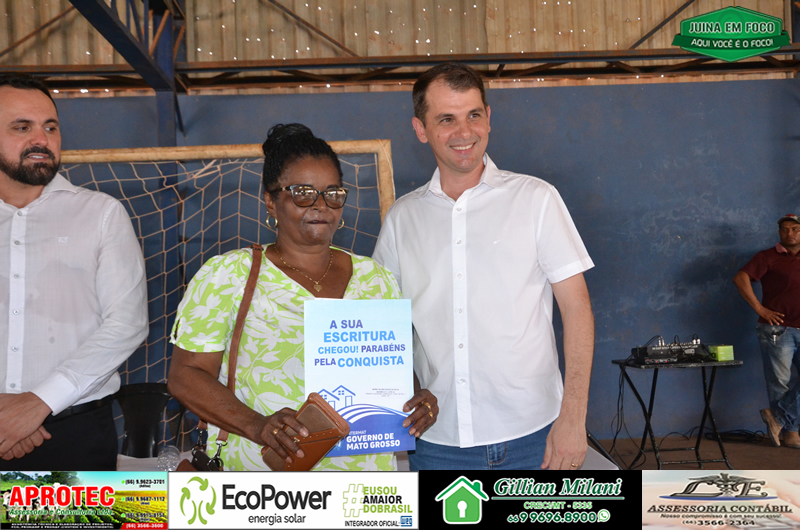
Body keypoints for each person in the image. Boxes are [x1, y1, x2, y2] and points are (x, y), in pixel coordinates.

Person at [168, 123, 438, 471]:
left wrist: (417, 400)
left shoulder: (375, 279)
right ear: (270, 201)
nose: (321, 205)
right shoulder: (229, 275)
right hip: (263, 485)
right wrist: (257, 425)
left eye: (332, 193)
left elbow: (389, 370)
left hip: (363, 484)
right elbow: (185, 375)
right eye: (303, 193)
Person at [373, 62, 595, 470]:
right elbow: (383, 324)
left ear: (488, 118)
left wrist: (573, 416)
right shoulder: (403, 219)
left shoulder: (537, 199)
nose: (464, 132)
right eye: (446, 119)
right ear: (421, 129)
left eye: (473, 115)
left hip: (534, 435)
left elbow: (577, 308)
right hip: (436, 441)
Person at [0, 74, 148, 470]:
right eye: (22, 127)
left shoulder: (101, 214)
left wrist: (39, 402)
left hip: (74, 435)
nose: (42, 139)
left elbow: (127, 324)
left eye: (50, 127)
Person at [734, 214, 800, 449]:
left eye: (795, 229)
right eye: (784, 229)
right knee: (780, 383)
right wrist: (760, 309)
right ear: (779, 233)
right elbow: (741, 278)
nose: (790, 233)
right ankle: (791, 434)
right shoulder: (767, 257)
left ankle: (778, 418)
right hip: (777, 330)